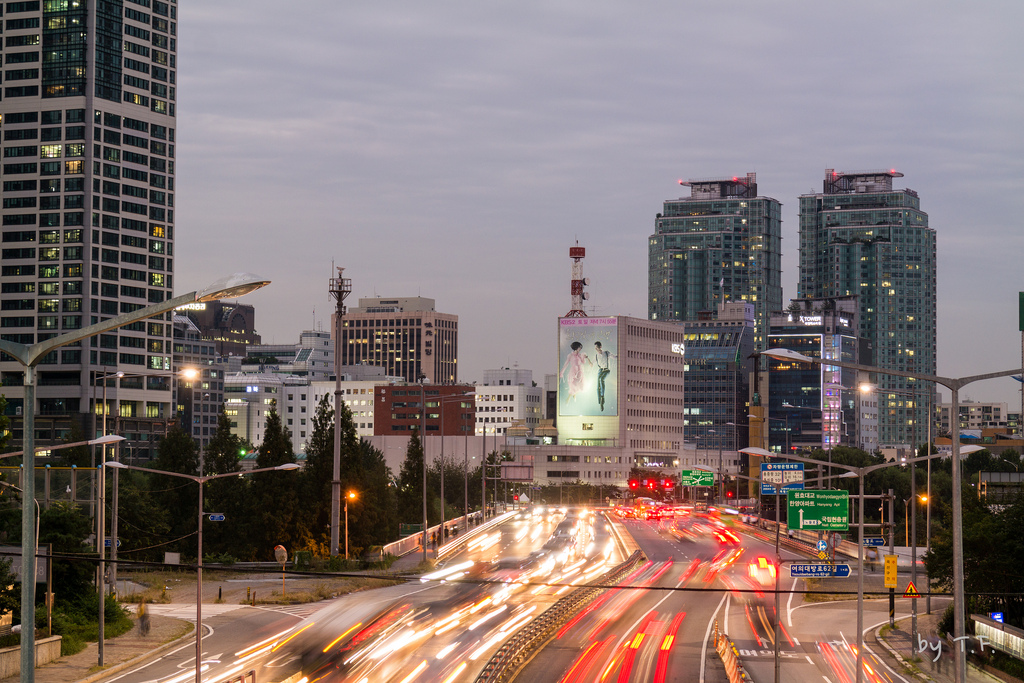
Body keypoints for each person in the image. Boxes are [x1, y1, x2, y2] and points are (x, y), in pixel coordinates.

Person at [593, 341, 616, 411]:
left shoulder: (606, 353)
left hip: (606, 370)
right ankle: (600, 401)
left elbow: (614, 357)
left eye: (597, 348)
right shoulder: (596, 356)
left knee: (601, 379)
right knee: (598, 386)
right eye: (595, 348)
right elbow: (591, 363)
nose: (596, 349)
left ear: (600, 347)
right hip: (600, 370)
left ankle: (602, 397)